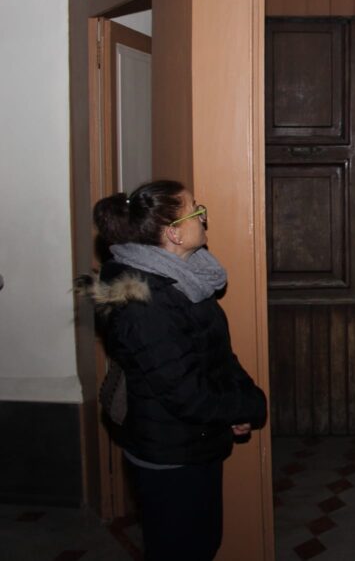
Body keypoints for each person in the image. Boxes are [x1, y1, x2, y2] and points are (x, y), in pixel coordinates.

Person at [81, 180, 267, 561]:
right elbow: (184, 392)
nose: (204, 217)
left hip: (194, 438)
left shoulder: (184, 279)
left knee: (201, 543)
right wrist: (244, 407)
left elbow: (212, 355)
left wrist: (235, 406)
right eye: (196, 211)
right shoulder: (147, 305)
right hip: (169, 452)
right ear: (174, 233)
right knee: (180, 551)